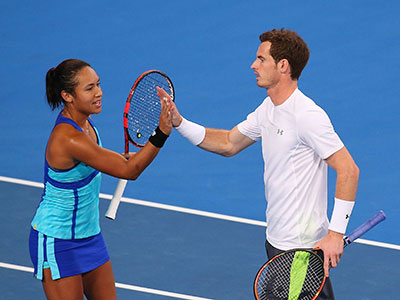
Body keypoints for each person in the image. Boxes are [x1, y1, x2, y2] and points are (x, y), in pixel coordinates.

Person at [157, 28, 359, 299]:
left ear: (283, 66)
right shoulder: (268, 110)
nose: (254, 65)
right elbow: (229, 142)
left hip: (299, 249)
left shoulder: (308, 116)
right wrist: (180, 123)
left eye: (262, 59)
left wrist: (336, 233)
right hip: (277, 241)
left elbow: (348, 169)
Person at [29, 59, 172, 300]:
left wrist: (125, 158)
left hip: (90, 237)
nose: (99, 93)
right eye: (89, 88)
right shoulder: (68, 138)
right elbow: (130, 171)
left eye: (98, 84)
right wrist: (161, 133)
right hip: (58, 241)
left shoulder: (85, 125)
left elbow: (107, 160)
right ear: (67, 96)